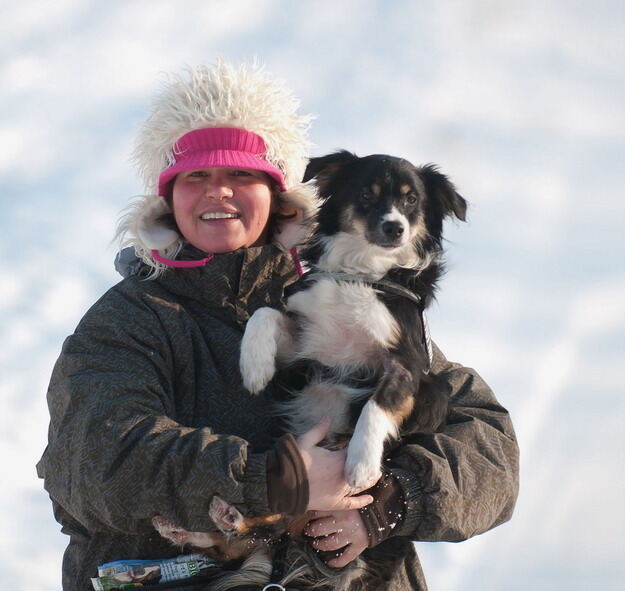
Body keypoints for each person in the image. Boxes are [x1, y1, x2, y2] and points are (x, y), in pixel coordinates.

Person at [36, 60, 518, 591]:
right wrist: (276, 481)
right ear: (167, 199)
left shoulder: (346, 296)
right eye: (197, 175)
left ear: (279, 194)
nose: (218, 192)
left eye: (241, 174)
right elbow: (96, 461)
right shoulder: (129, 320)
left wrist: (388, 502)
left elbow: (488, 446)